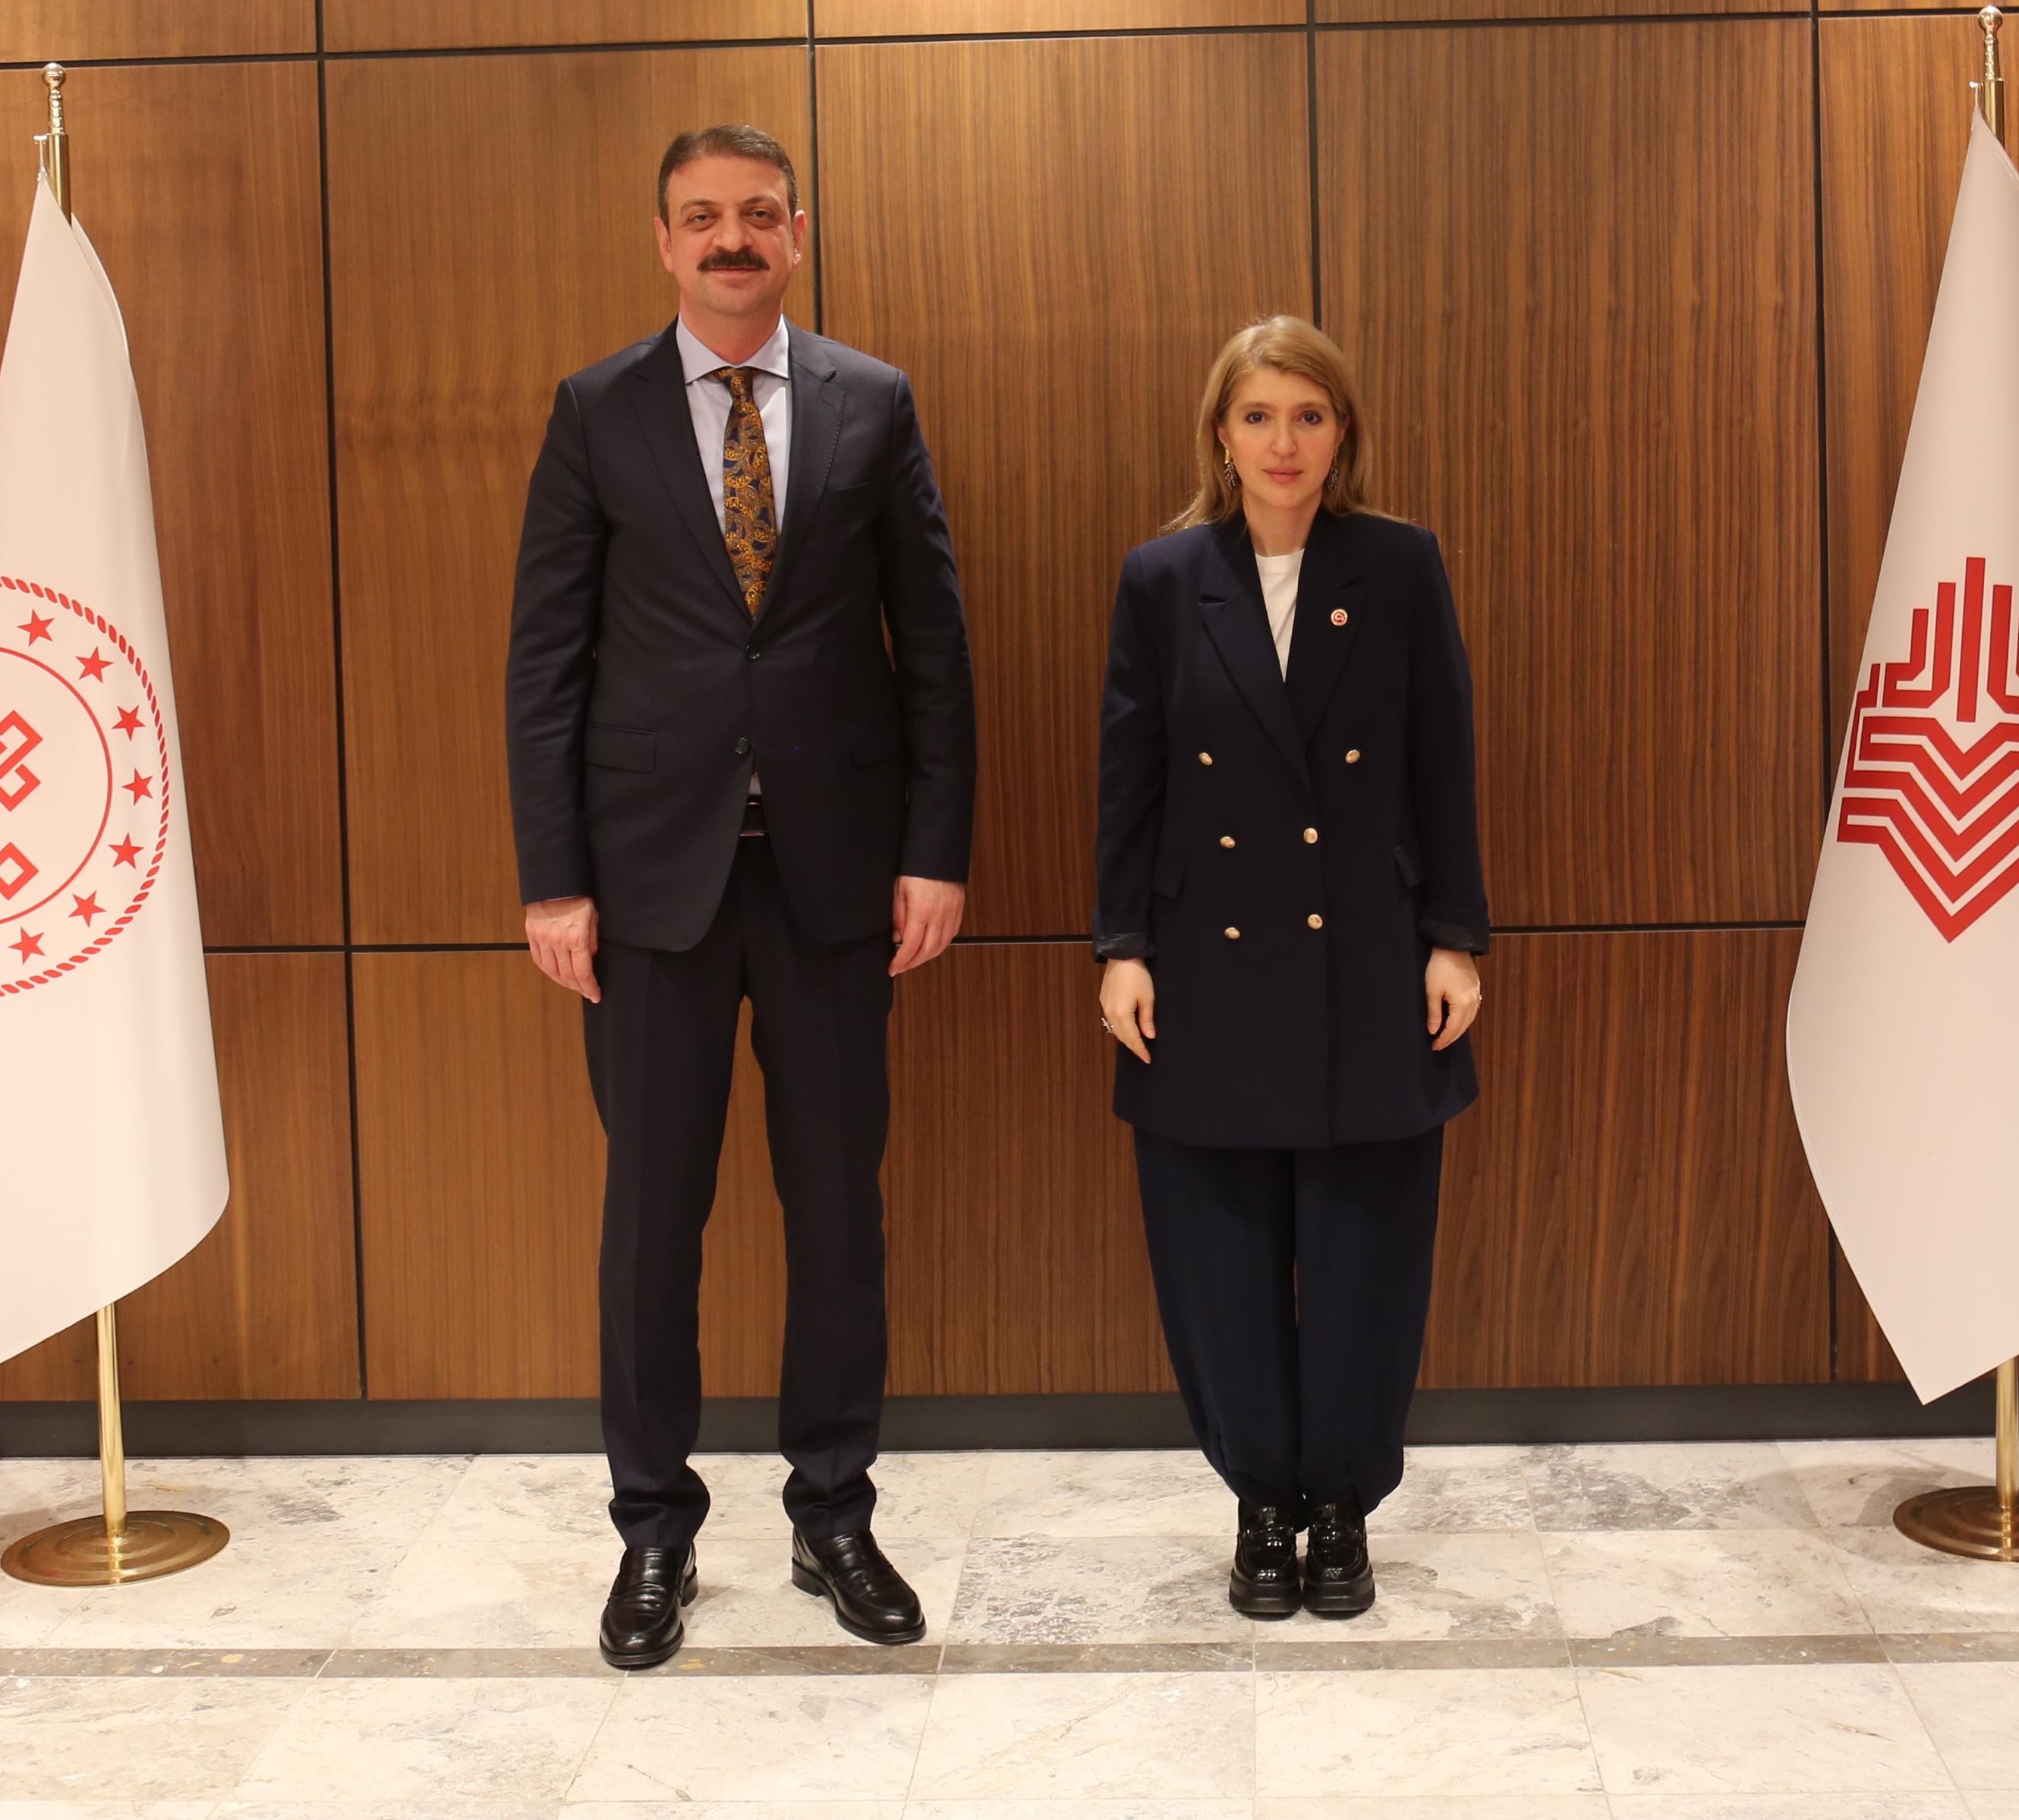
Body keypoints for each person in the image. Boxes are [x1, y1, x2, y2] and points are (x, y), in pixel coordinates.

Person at [505, 123, 976, 1669]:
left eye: (755, 215)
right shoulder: (595, 413)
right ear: (661, 240)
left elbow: (937, 649)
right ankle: (652, 1530)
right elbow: (546, 670)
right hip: (648, 888)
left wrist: (936, 848)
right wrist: (553, 880)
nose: (729, 239)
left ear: (797, 231)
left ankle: (833, 1511)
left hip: (839, 879)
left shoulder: (873, 402)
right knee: (653, 1218)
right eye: (700, 218)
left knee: (839, 1210)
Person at [1092, 314, 1488, 1620]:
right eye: (1259, 415)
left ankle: (1342, 1504)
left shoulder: (1398, 565)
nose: (1283, 441)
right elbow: (1131, 782)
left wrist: (1456, 938)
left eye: (1308, 416)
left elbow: (1443, 762)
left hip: (1372, 960)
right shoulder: (1164, 578)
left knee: (1369, 1249)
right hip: (1204, 965)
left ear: (1342, 434)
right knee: (1220, 1250)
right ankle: (1262, 1499)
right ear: (1222, 431)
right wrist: (1122, 949)